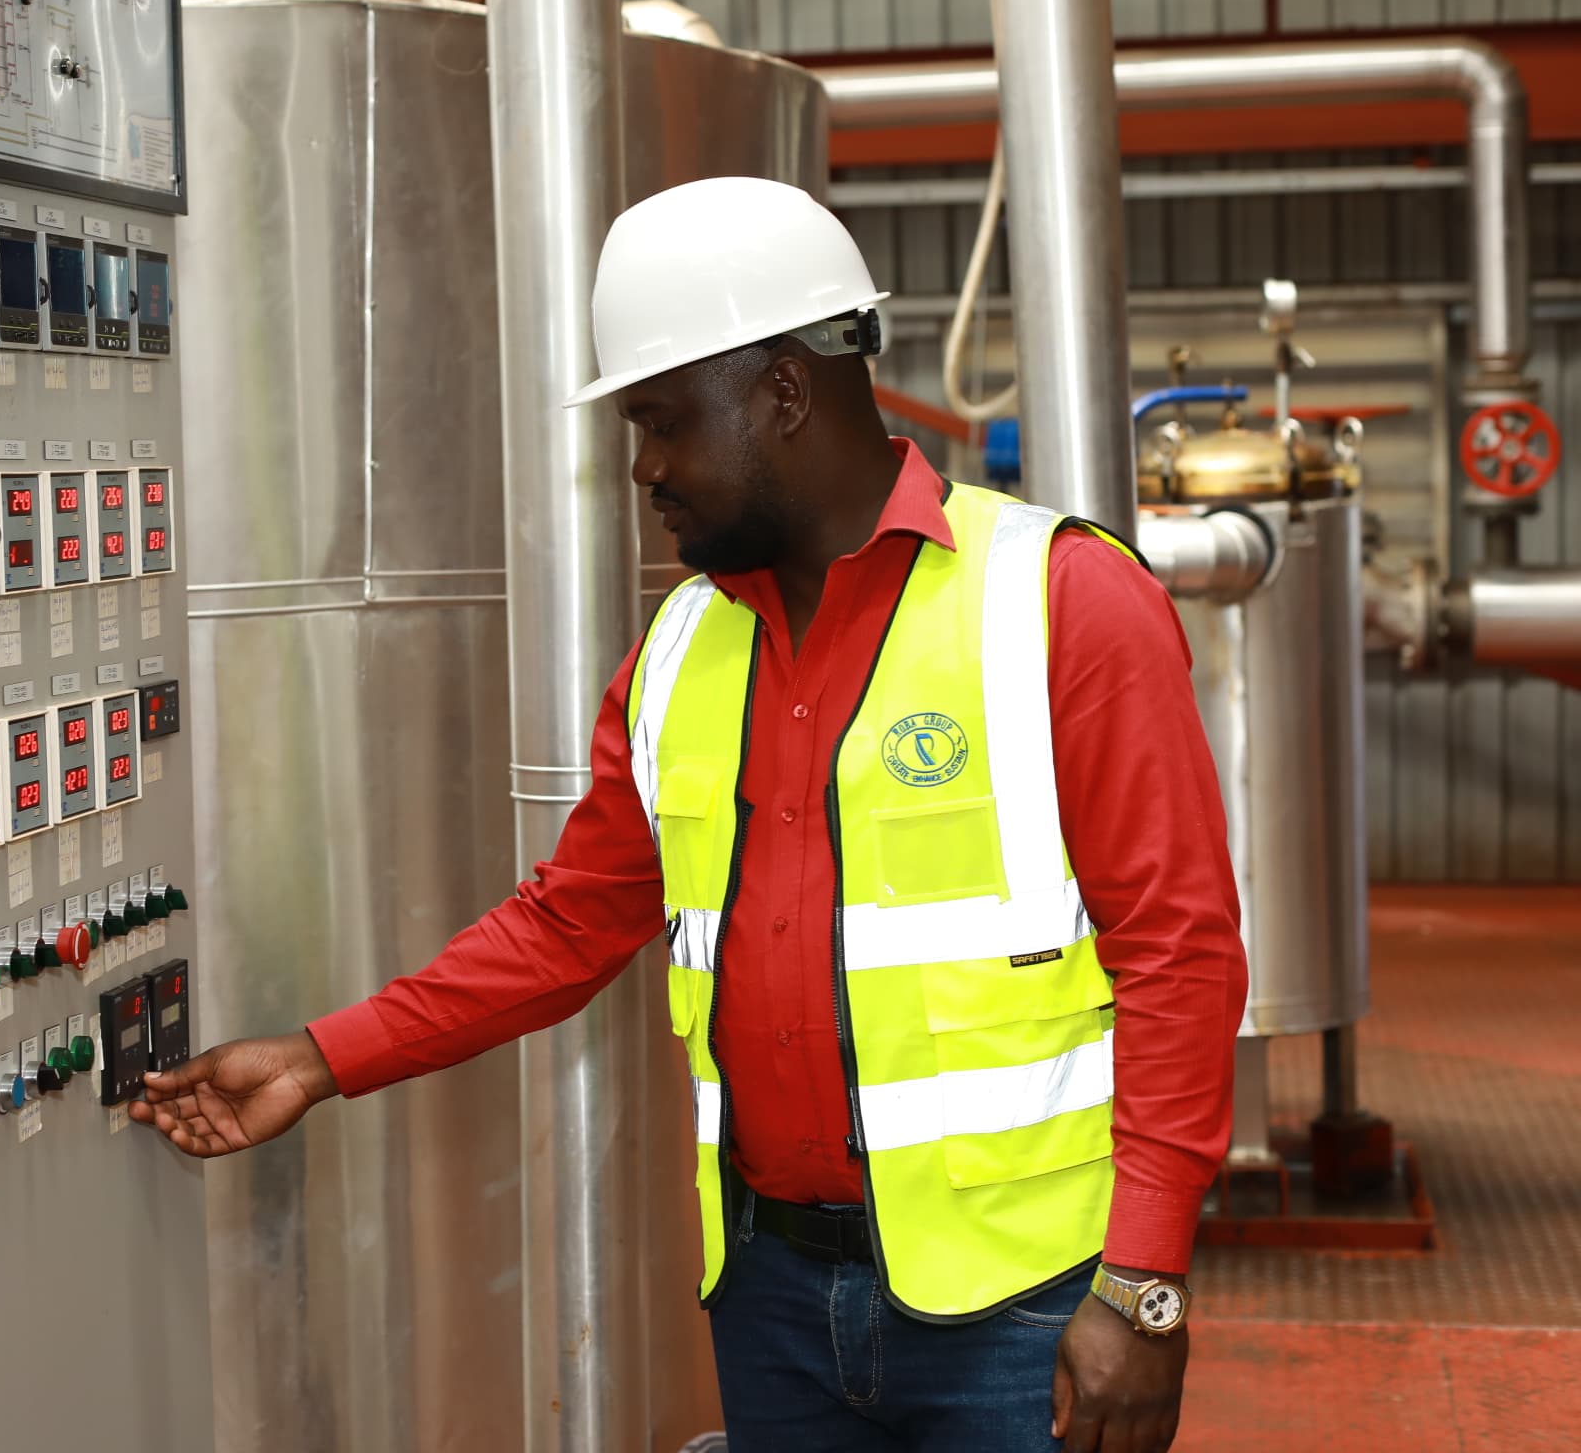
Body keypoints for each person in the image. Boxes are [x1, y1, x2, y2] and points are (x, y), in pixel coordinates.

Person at [130, 177, 1248, 1453]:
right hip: (773, 1294)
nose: (645, 469)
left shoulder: (1061, 603)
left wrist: (1142, 1293)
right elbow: (565, 928)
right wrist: (319, 1059)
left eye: (663, 423)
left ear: (780, 392)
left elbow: (1182, 957)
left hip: (1024, 1312)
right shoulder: (678, 653)